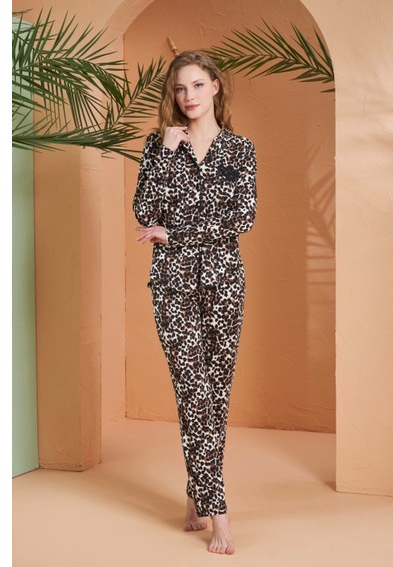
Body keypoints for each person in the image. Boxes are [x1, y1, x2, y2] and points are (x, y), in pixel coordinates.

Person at [132, 50, 257, 555]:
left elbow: (242, 218)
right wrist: (165, 153)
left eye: (198, 85)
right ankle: (218, 512)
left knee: (216, 395)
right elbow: (145, 212)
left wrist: (178, 232)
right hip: (172, 285)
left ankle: (194, 493)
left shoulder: (240, 150)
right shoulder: (157, 145)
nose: (188, 96)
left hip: (225, 283)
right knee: (194, 392)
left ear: (215, 87)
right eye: (180, 88)